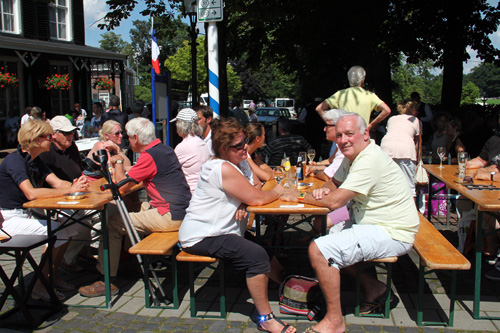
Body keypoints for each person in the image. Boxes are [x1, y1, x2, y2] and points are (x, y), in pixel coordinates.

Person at [281, 112, 419, 333]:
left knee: (319, 250)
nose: (343, 140)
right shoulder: (353, 156)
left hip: (392, 231)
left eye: (349, 134)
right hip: (370, 223)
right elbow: (334, 184)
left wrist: (296, 197)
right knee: (327, 233)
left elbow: (335, 202)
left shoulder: (369, 159)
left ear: (365, 134)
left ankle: (334, 322)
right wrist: (323, 191)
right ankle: (374, 288)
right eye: (339, 135)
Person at [178, 117, 295, 333]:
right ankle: (266, 318)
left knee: (263, 248)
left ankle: (288, 288)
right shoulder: (222, 167)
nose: (245, 148)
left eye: (245, 142)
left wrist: (243, 199)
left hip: (220, 231)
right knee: (256, 255)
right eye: (238, 146)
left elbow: (253, 188)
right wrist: (277, 191)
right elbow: (258, 198)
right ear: (223, 148)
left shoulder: (233, 164)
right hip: (203, 235)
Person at [78, 117, 191, 297]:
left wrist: (118, 161)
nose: (127, 140)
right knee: (135, 206)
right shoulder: (164, 149)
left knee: (112, 223)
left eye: (129, 137)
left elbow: (120, 185)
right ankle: (127, 261)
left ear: (136, 138)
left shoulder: (149, 156)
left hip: (170, 215)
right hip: (182, 211)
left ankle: (108, 279)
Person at [0, 120, 88, 301]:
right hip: (6, 220)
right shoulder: (14, 160)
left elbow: (57, 183)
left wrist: (75, 185)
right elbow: (31, 193)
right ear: (35, 139)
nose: (52, 139)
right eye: (48, 136)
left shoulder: (34, 160)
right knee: (60, 230)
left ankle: (50, 276)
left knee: (69, 228)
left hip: (24, 214)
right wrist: (69, 190)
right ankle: (40, 285)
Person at [38, 116, 98, 273]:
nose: (70, 135)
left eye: (71, 132)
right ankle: (65, 261)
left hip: (77, 197)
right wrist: (73, 187)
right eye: (65, 133)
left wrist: (83, 181)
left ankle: (75, 253)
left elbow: (80, 171)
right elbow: (50, 184)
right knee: (75, 224)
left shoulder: (72, 147)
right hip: (56, 201)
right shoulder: (46, 152)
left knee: (106, 211)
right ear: (54, 135)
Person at [303, 109, 351, 237]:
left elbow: (328, 176)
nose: (324, 129)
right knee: (319, 218)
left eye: (327, 125)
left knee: (319, 223)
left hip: (352, 209)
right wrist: (316, 166)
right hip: (349, 206)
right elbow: (331, 167)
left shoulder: (347, 150)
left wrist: (315, 171)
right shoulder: (340, 147)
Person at [315, 66, 391, 134]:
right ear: (363, 80)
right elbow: (386, 110)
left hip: (344, 134)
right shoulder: (370, 96)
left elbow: (319, 108)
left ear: (349, 80)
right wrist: (371, 125)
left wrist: (331, 124)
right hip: (361, 134)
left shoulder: (340, 94)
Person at [465, 131, 500, 278]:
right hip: (494, 192)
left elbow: (494, 170)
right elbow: (482, 160)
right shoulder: (495, 140)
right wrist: (466, 163)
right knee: (483, 210)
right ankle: (491, 253)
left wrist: (490, 174)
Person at [380, 99, 421, 197]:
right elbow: (418, 144)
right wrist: (418, 162)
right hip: (405, 151)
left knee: (388, 184)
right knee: (410, 187)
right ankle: (412, 210)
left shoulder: (391, 119)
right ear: (411, 110)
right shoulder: (415, 120)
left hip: (386, 149)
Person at [171, 108, 210, 193]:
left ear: (181, 125)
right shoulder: (201, 142)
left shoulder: (183, 146)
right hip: (203, 190)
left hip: (190, 193)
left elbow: (170, 170)